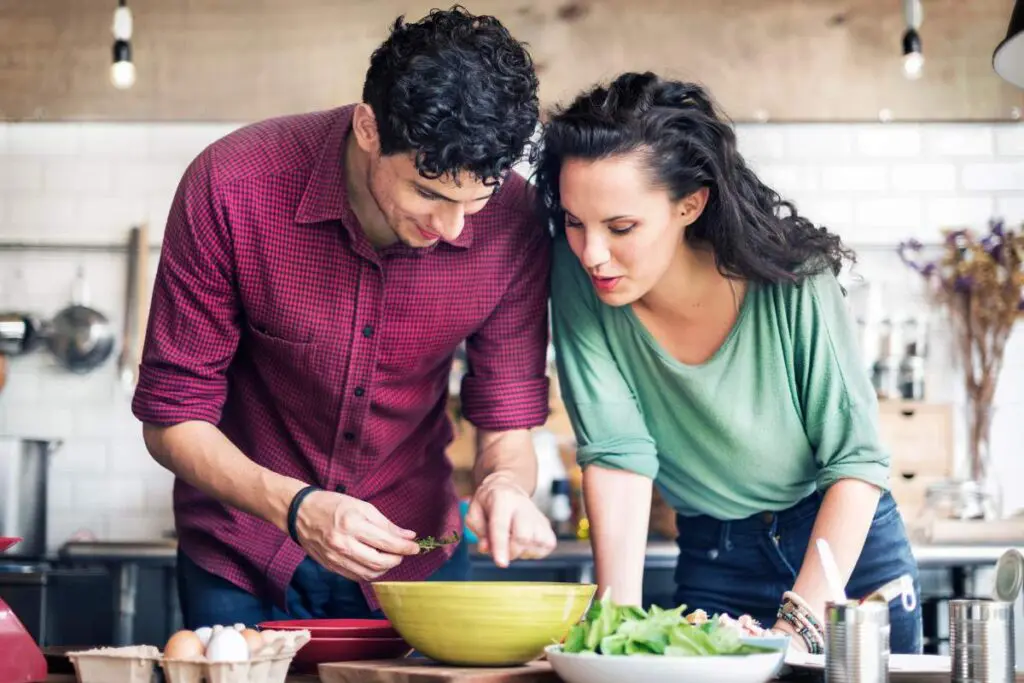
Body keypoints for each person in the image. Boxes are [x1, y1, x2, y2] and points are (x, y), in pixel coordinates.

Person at [132, 5, 557, 629]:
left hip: (417, 560)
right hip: (241, 554)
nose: (451, 228)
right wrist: (296, 507)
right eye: (429, 193)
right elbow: (171, 418)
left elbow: (507, 428)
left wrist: (505, 487)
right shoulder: (233, 185)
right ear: (367, 128)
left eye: (477, 200)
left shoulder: (516, 223)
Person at [535, 71, 923, 654]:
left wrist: (800, 622)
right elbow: (617, 455)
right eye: (573, 222)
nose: (592, 253)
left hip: (842, 553)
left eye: (621, 227)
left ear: (690, 204)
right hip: (715, 556)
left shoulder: (793, 281)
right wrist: (613, 629)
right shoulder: (577, 278)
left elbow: (856, 460)